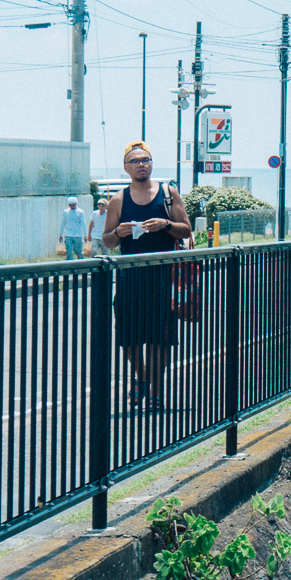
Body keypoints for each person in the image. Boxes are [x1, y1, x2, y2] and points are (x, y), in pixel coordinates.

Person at [103, 142, 191, 411]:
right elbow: (107, 241)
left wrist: (166, 224)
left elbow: (186, 230)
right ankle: (141, 374)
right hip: (130, 279)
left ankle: (156, 389)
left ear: (152, 164)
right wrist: (119, 232)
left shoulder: (168, 193)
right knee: (128, 338)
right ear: (126, 168)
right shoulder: (118, 199)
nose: (141, 164)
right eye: (135, 161)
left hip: (163, 278)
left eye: (146, 160)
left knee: (159, 339)